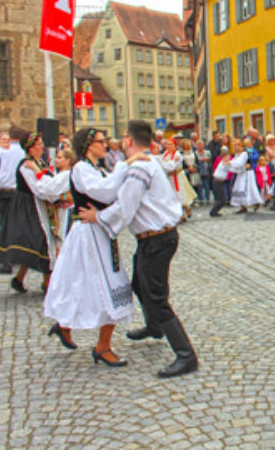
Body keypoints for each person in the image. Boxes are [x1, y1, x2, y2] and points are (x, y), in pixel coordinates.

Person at [78, 120, 198, 378]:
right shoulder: (147, 162)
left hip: (157, 239)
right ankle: (154, 327)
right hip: (154, 238)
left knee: (156, 297)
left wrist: (97, 217)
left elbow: (125, 207)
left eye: (123, 138)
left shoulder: (140, 168)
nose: (121, 142)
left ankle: (186, 355)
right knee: (139, 285)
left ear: (129, 141)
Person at [44, 128, 142, 368]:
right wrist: (127, 163)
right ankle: (102, 346)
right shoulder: (81, 168)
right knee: (104, 284)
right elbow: (105, 190)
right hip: (87, 234)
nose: (105, 145)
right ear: (88, 145)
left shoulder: (95, 168)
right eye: (100, 142)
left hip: (98, 230)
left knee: (91, 284)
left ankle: (69, 327)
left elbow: (110, 190)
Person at [0, 132, 68, 293]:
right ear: (30, 148)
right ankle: (47, 283)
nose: (42, 146)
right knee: (40, 240)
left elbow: (47, 182)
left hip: (40, 205)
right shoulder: (25, 165)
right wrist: (53, 194)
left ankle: (20, 279)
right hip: (27, 207)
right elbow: (38, 188)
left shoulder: (39, 162)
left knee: (37, 242)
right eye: (39, 144)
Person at [161, 138, 196, 219]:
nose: (169, 146)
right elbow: (162, 164)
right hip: (170, 178)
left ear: (175, 145)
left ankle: (185, 210)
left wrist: (168, 164)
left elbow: (172, 167)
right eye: (168, 144)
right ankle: (181, 214)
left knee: (180, 195)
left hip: (178, 177)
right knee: (172, 196)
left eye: (171, 144)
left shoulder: (178, 155)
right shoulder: (165, 154)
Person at [230, 138, 263, 213]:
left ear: (241, 145)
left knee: (248, 188)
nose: (235, 147)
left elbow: (239, 163)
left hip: (248, 173)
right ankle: (243, 206)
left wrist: (231, 164)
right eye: (234, 145)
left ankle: (255, 202)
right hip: (241, 173)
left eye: (236, 145)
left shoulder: (245, 153)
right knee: (239, 188)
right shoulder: (237, 154)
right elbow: (235, 163)